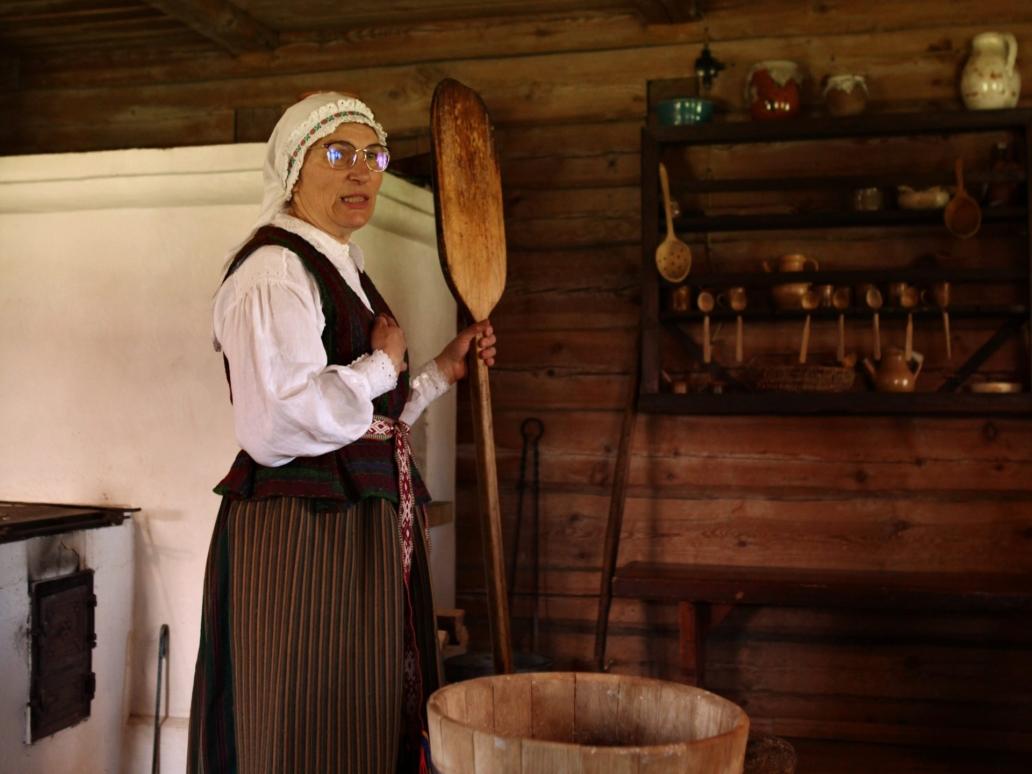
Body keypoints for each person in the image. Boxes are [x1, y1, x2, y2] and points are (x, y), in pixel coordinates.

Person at [187, 92, 496, 774]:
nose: (361, 171)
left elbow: (367, 426)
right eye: (337, 153)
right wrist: (380, 364)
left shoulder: (339, 261)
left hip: (356, 526)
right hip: (305, 533)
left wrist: (439, 371)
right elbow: (277, 423)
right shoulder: (274, 270)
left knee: (357, 716)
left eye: (373, 155)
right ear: (293, 170)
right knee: (305, 720)